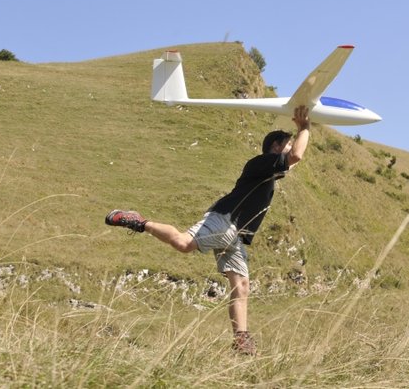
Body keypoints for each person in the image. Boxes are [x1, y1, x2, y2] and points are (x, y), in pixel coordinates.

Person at [105, 106, 311, 355]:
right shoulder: (260, 163)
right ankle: (138, 222)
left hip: (235, 235)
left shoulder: (271, 171)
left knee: (242, 285)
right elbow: (297, 156)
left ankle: (241, 340)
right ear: (276, 147)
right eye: (287, 145)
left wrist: (306, 128)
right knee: (183, 244)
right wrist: (304, 127)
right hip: (224, 218)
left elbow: (295, 158)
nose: (290, 149)